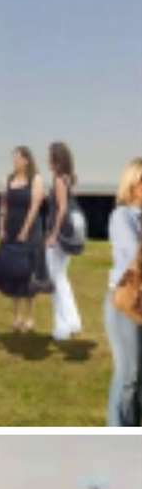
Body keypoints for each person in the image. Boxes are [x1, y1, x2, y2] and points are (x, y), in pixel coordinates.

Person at [0, 146, 46, 330]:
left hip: (30, 231)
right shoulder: (9, 179)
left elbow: (35, 206)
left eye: (17, 158)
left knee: (27, 273)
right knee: (12, 272)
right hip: (11, 229)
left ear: (26, 160)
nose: (14, 161)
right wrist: (2, 226)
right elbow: (4, 204)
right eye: (13, 158)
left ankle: (30, 317)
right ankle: (16, 317)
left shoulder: (35, 179)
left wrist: (25, 229)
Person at [106, 158, 142, 426]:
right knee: (128, 374)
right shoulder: (122, 216)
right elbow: (132, 256)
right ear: (133, 185)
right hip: (124, 304)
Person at [44, 142, 82, 339]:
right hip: (66, 236)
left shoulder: (59, 180)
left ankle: (67, 324)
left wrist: (52, 235)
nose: (47, 160)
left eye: (49, 156)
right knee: (61, 278)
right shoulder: (67, 179)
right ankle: (68, 324)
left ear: (56, 159)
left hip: (58, 237)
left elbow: (61, 209)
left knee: (56, 280)